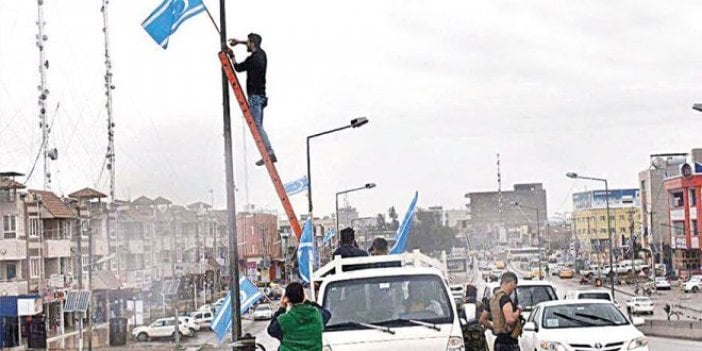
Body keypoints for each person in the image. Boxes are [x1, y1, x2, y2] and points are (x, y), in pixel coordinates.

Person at [229, 33, 275, 166]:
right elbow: (253, 44)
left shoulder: (252, 60)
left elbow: (237, 68)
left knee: (257, 127)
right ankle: (267, 153)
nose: (246, 45)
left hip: (255, 97)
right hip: (261, 96)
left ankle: (269, 152)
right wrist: (239, 42)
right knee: (259, 126)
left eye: (248, 43)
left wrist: (232, 56)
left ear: (252, 44)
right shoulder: (262, 54)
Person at [267, 282, 331, 351]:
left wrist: (282, 308)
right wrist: (308, 302)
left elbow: (271, 330)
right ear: (304, 296)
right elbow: (327, 314)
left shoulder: (283, 320)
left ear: (287, 299)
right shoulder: (317, 315)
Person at [479, 272, 522, 351]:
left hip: (499, 342)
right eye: (515, 285)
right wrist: (518, 311)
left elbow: (482, 319)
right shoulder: (505, 299)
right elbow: (509, 320)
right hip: (509, 343)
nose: (514, 288)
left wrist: (494, 328)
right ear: (511, 283)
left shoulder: (493, 299)